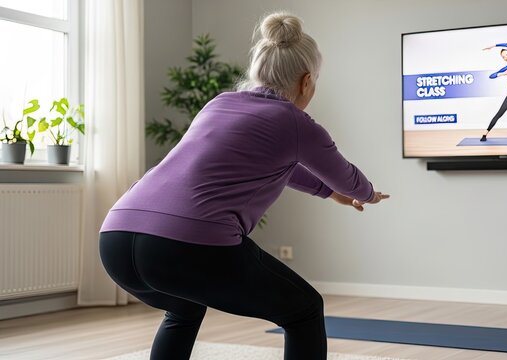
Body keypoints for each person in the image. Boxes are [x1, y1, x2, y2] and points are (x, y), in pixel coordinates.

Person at [98, 12, 389, 360]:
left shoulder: (219, 104)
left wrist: (328, 192)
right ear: (306, 81)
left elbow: (282, 167)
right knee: (305, 309)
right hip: (185, 247)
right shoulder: (295, 122)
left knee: (184, 308)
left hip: (116, 238)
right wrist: (367, 193)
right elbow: (346, 176)